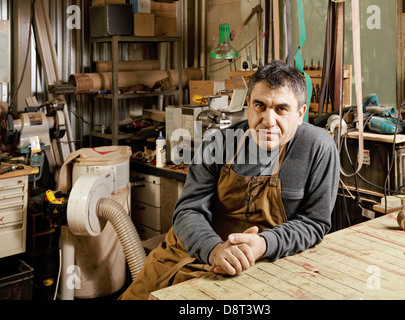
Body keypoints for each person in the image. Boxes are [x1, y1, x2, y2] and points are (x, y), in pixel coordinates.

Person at [119, 60, 340, 300]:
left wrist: (263, 244)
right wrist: (213, 249)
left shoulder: (318, 147)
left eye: (281, 109)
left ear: (300, 114)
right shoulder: (218, 144)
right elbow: (187, 212)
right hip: (190, 254)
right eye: (260, 106)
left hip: (259, 263)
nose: (268, 120)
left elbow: (314, 222)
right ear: (248, 106)